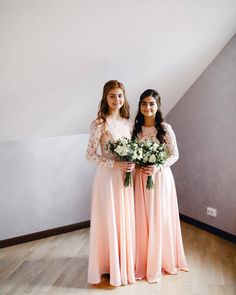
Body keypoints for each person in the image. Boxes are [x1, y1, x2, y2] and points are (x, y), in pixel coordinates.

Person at [132, 89, 188, 283]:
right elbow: (132, 152)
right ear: (139, 106)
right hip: (140, 179)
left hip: (160, 178)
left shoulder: (165, 127)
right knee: (142, 219)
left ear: (158, 106)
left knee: (158, 217)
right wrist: (138, 163)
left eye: (152, 104)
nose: (148, 107)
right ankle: (143, 259)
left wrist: (157, 166)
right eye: (144, 104)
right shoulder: (135, 127)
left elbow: (175, 154)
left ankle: (161, 260)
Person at [86, 80, 135, 286]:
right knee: (108, 219)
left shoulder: (127, 122)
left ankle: (123, 263)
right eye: (112, 96)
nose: (117, 100)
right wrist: (114, 165)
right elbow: (89, 155)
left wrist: (131, 163)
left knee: (123, 218)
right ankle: (107, 265)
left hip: (125, 177)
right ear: (105, 98)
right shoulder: (99, 123)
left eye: (120, 95)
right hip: (107, 178)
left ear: (124, 98)